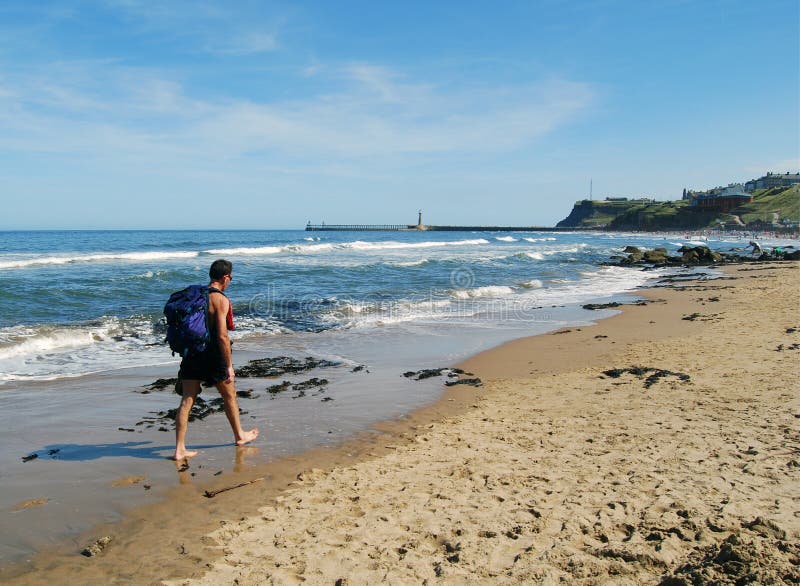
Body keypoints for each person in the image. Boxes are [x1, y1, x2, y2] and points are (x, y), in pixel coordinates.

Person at [172, 259, 258, 461]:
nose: (230, 282)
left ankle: (179, 449)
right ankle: (239, 436)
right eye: (231, 278)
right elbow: (221, 336)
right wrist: (229, 365)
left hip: (192, 353)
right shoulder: (220, 300)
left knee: (187, 400)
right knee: (229, 396)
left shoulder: (197, 295)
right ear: (226, 277)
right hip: (213, 355)